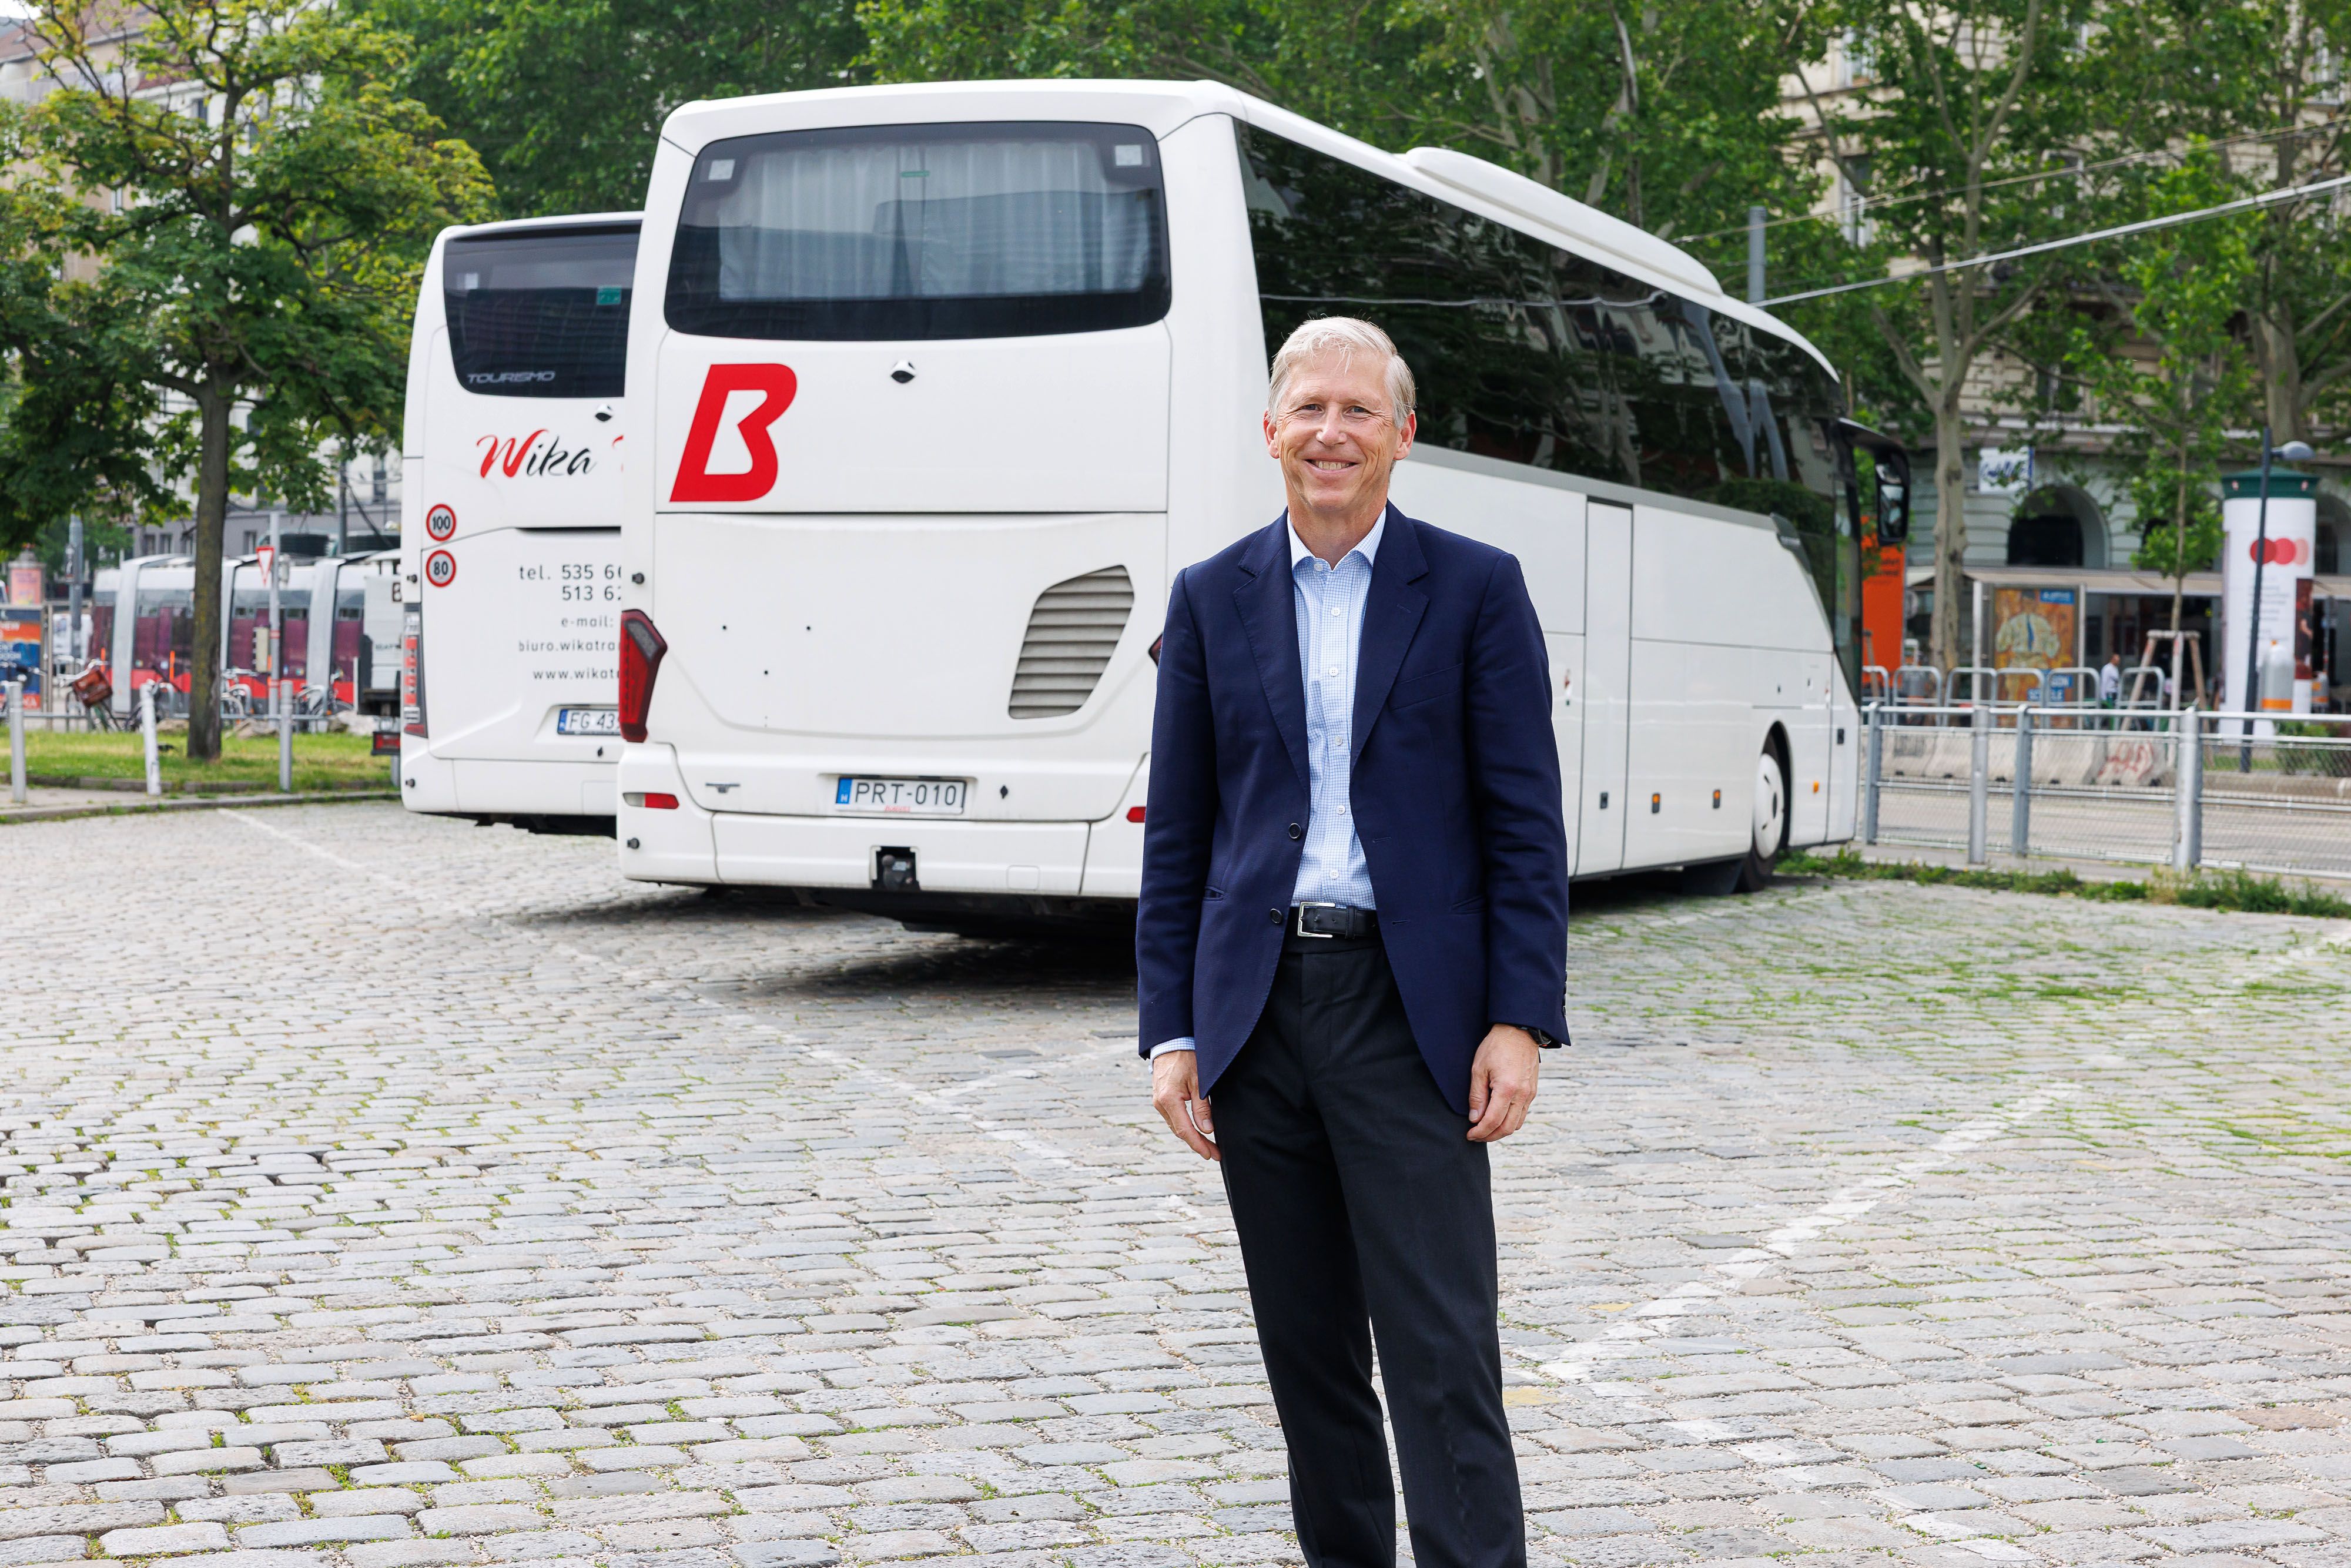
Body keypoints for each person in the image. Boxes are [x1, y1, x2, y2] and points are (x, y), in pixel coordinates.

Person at [1138, 317, 1570, 1568]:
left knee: (1440, 1351)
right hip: (1256, 1011)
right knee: (1307, 1352)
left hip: (1409, 1009)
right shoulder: (1211, 595)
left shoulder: (1474, 586)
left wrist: (1516, 1017)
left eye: (1357, 411)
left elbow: (1521, 822)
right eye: (1308, 409)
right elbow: (1182, 828)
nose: (1330, 431)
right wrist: (1172, 1026)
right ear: (1270, 429)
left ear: (1401, 434)